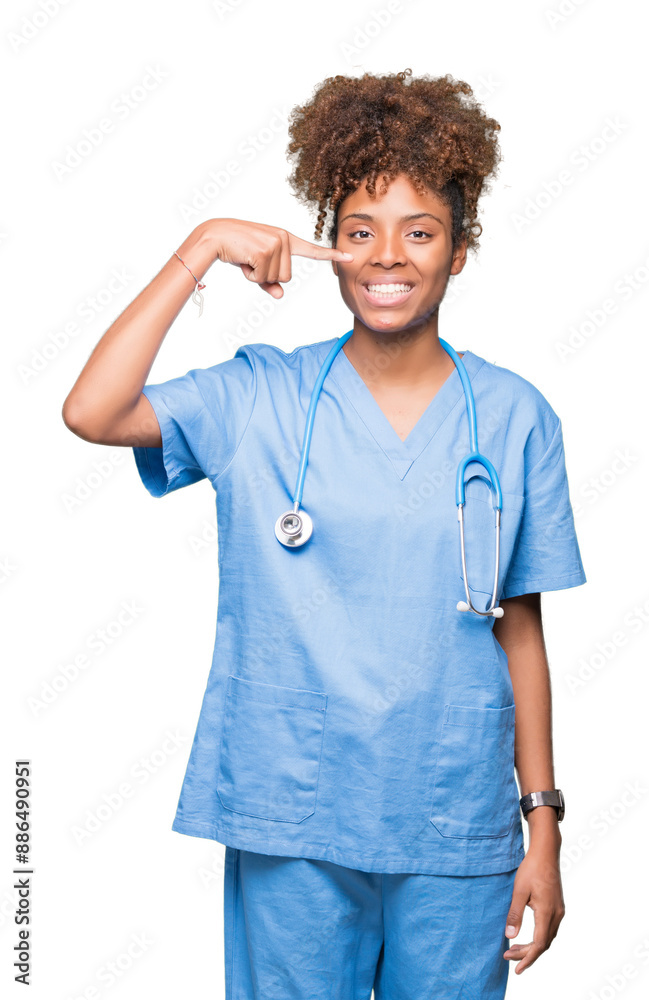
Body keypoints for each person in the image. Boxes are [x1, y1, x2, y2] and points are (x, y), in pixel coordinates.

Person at [62, 68, 586, 999]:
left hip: (453, 824)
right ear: (328, 247)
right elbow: (93, 411)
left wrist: (541, 824)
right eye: (357, 232)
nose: (387, 256)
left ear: (458, 252)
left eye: (419, 232)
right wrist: (202, 246)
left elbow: (520, 626)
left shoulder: (513, 416)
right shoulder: (257, 395)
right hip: (292, 815)